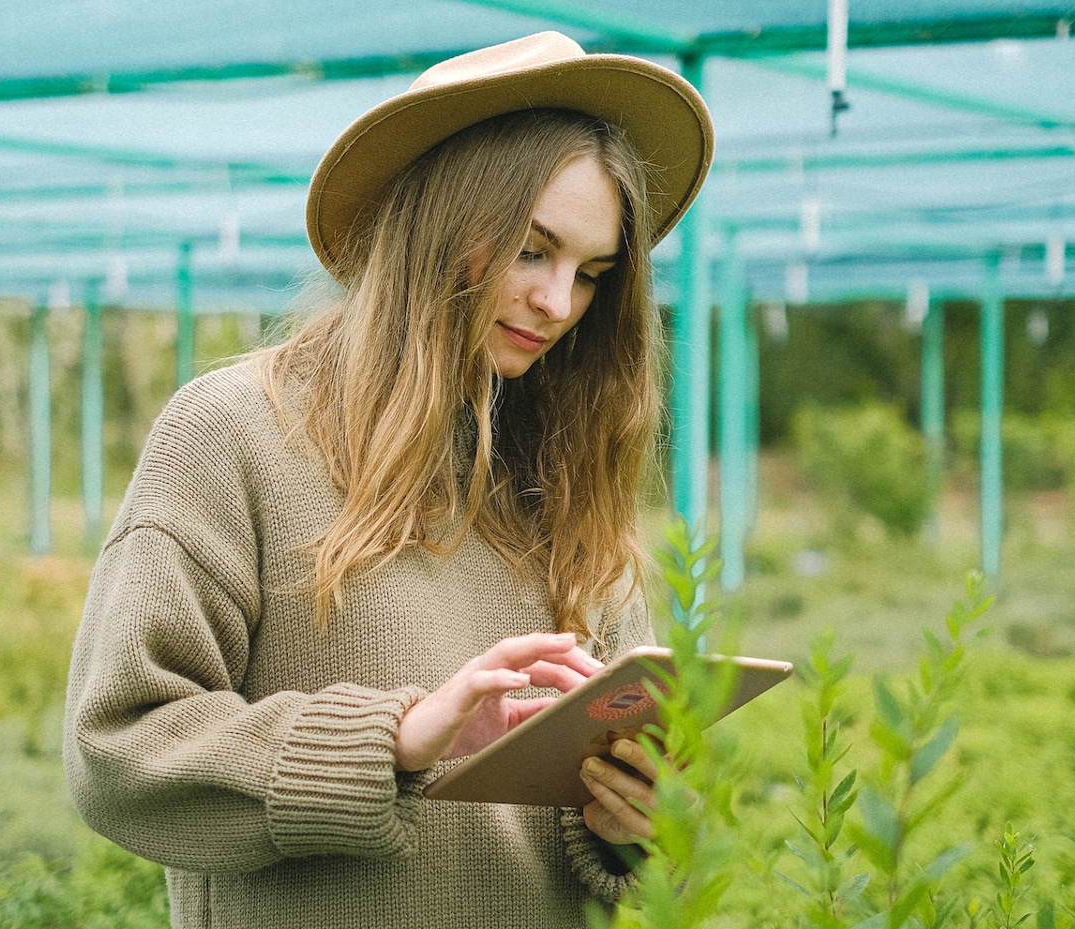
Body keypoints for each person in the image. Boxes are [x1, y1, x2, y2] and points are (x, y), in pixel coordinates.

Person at [63, 31, 713, 929]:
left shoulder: (567, 477)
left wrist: (633, 822)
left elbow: (588, 809)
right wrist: (395, 740)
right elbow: (119, 747)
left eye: (593, 275)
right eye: (532, 250)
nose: (560, 303)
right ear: (439, 223)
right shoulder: (233, 434)